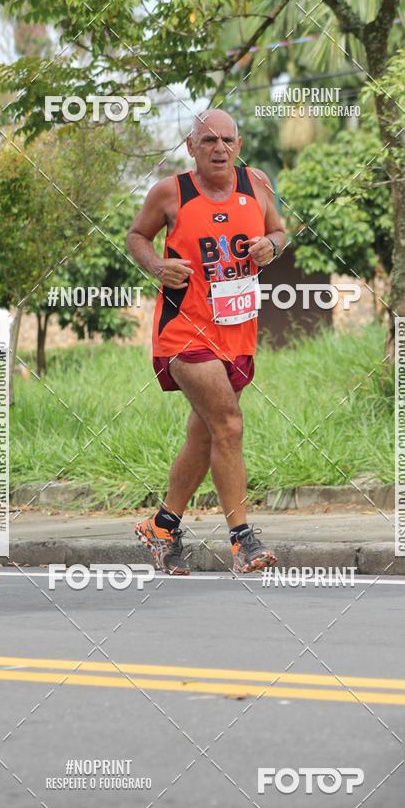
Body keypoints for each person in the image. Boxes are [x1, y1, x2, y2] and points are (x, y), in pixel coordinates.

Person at [127, 109, 286, 574]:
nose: (219, 148)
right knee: (230, 425)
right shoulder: (170, 193)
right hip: (185, 331)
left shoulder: (257, 183)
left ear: (238, 145)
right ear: (191, 146)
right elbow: (137, 235)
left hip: (238, 330)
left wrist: (271, 246)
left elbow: (279, 230)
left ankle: (161, 527)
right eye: (209, 140)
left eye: (228, 140)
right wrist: (156, 265)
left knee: (206, 434)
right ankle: (242, 541)